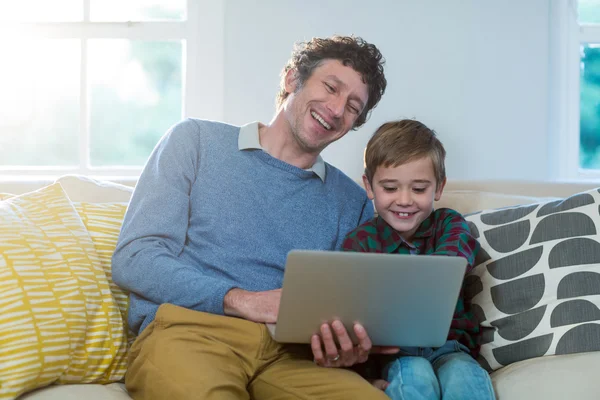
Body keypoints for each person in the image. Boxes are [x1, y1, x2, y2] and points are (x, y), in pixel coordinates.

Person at [112, 35, 399, 399]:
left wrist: (350, 349)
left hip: (293, 357)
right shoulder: (195, 141)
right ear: (292, 79)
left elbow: (345, 309)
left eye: (353, 106)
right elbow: (135, 258)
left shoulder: (353, 203)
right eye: (330, 87)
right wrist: (243, 299)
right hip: (189, 333)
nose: (337, 109)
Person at [342, 119, 496, 399]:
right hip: (396, 354)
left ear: (438, 188)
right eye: (390, 188)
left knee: (464, 377)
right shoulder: (359, 242)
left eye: (418, 188)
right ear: (369, 186)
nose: (404, 200)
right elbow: (350, 314)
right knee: (415, 376)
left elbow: (448, 266)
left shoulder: (449, 224)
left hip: (451, 347)